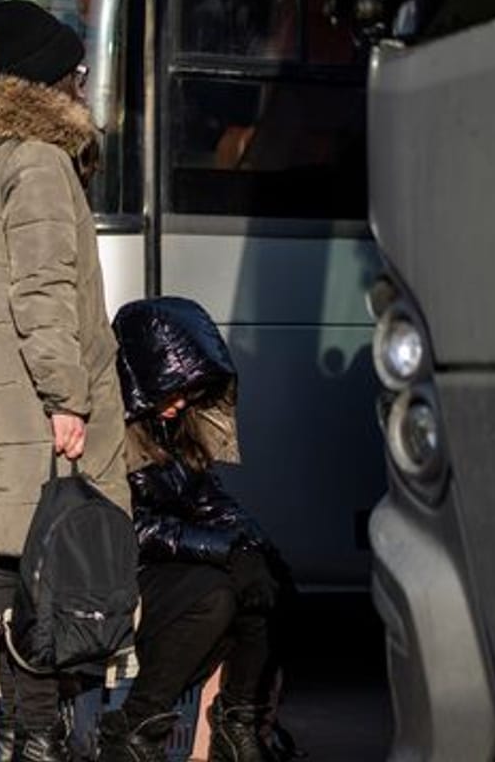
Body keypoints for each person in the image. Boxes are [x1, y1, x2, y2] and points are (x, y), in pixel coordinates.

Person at [0, 0, 130, 760]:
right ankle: (36, 739)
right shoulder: (42, 163)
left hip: (1, 402)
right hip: (38, 404)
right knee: (60, 575)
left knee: (16, 562)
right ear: (58, 81)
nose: (85, 85)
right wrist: (68, 399)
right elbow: (44, 294)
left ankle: (19, 735)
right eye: (80, 73)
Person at [98, 297, 289, 762]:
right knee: (214, 596)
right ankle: (133, 729)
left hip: (171, 563)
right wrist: (220, 548)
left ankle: (238, 722)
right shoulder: (113, 433)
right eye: (172, 390)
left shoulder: (173, 428)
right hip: (123, 569)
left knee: (260, 584)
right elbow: (129, 526)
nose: (181, 402)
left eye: (188, 391)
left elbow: (209, 503)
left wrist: (250, 544)